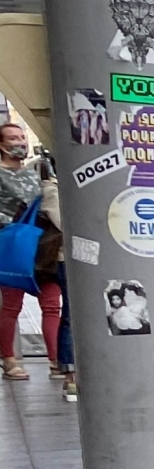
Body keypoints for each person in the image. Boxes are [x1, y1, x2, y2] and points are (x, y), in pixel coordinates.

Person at [0, 123, 62, 383]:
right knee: (12, 305)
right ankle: (9, 359)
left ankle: (57, 360)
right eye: (13, 138)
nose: (20, 142)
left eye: (22, 137)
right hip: (11, 243)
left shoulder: (35, 173)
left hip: (42, 245)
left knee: (51, 305)